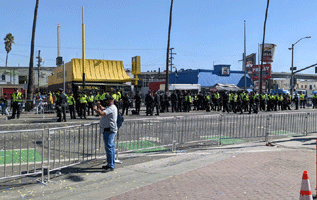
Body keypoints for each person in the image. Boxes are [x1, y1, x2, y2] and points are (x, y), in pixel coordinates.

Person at [94, 95, 117, 172]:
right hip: (108, 130)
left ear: (110, 100)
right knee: (111, 148)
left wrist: (95, 109)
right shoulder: (111, 108)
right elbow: (103, 109)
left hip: (109, 130)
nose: (106, 102)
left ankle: (111, 165)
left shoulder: (112, 108)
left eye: (107, 100)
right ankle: (110, 164)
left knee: (109, 148)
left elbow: (101, 113)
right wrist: (99, 105)